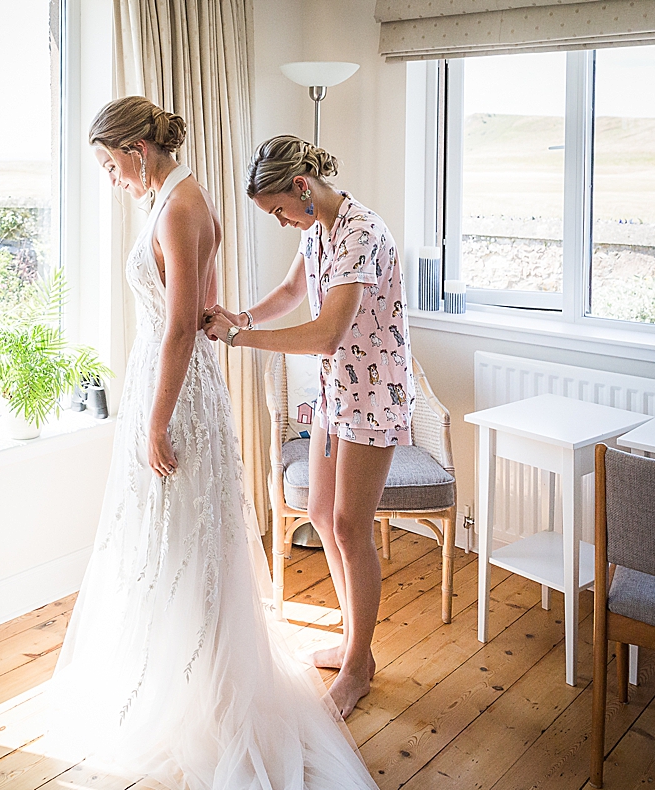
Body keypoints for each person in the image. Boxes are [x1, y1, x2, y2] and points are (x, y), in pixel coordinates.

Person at [47, 98, 379, 789]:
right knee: (287, 520)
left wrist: (161, 412)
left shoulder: (186, 206)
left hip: (359, 389)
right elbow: (240, 299)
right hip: (296, 387)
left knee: (323, 526)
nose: (110, 179)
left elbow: (186, 328)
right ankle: (189, 666)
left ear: (137, 149)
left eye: (111, 165)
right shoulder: (182, 199)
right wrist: (234, 320)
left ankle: (351, 662)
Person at [204, 135, 415, 719]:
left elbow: (326, 331)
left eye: (277, 210)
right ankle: (356, 646)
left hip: (373, 394)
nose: (278, 222)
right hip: (335, 392)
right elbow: (295, 291)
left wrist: (241, 338)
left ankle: (357, 668)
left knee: (350, 525)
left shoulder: (360, 233)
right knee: (322, 513)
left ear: (301, 187)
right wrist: (241, 315)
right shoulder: (314, 230)